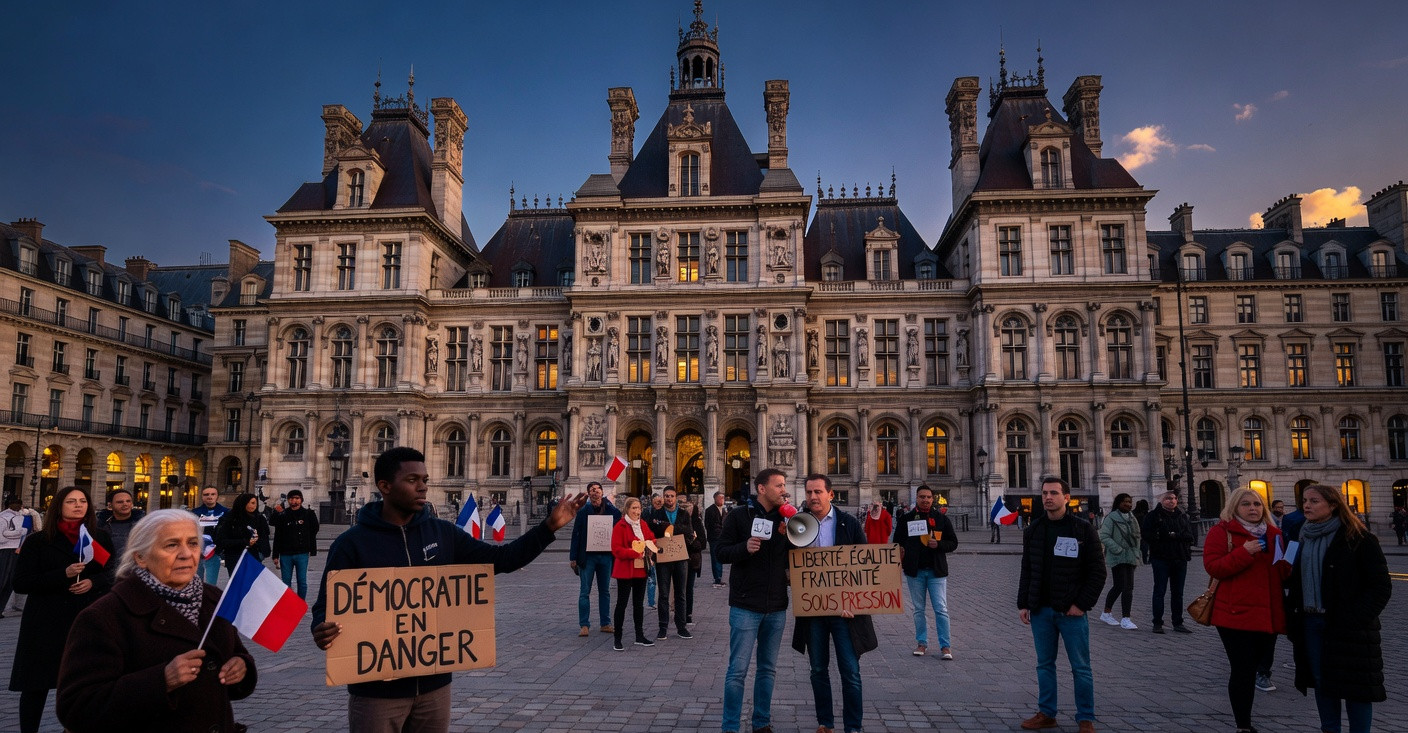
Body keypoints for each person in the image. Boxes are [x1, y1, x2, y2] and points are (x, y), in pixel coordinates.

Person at [310, 446, 585, 732]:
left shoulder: (443, 534)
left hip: (433, 687)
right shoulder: (352, 543)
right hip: (377, 691)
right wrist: (321, 627)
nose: (423, 488)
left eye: (425, 480)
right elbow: (326, 606)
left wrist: (549, 527)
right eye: (413, 480)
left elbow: (502, 560)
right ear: (385, 486)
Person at [56, 509, 256, 732]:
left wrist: (242, 667)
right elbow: (76, 708)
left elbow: (235, 653)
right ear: (140, 557)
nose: (186, 554)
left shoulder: (214, 599)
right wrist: (161, 681)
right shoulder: (105, 616)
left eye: (192, 543)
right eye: (171, 545)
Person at [1286, 484, 1391, 733]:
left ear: (1333, 505)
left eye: (1314, 501)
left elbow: (1380, 586)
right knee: (1323, 683)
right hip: (1312, 623)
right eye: (1305, 501)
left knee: (1357, 687)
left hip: (1349, 626)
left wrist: (1356, 617)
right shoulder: (1301, 535)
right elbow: (1294, 580)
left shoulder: (1358, 537)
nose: (1306, 506)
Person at [9, 487, 114, 733]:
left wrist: (92, 582)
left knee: (83, 682)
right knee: (35, 685)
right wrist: (62, 575)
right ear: (59, 505)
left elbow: (112, 573)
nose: (78, 505)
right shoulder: (39, 540)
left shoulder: (98, 537)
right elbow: (21, 583)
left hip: (84, 618)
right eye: (71, 501)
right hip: (45, 620)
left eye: (82, 501)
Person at [1017, 477, 1105, 733]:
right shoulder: (1033, 529)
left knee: (1081, 667)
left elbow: (1098, 572)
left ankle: (1085, 717)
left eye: (1054, 493)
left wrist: (1081, 604)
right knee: (1044, 664)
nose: (1047, 498)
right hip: (1041, 609)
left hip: (1071, 611)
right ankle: (1047, 712)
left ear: (1067, 497)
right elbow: (1027, 568)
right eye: (1044, 493)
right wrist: (1024, 602)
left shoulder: (1082, 529)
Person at [791, 474, 871, 733]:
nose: (813, 497)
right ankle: (825, 722)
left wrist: (855, 602)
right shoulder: (797, 525)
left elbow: (865, 565)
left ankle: (853, 726)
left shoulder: (848, 523)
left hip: (844, 611)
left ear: (831, 495)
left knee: (850, 671)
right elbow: (789, 563)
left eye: (818, 492)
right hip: (813, 609)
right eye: (809, 492)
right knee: (817, 669)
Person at [1203, 488, 1286, 733]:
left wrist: (1289, 561)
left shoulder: (1275, 534)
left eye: (1258, 505)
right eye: (1246, 504)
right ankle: (1243, 725)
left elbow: (1283, 573)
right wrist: (1243, 552)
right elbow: (1214, 567)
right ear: (1234, 507)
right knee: (1243, 669)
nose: (1253, 509)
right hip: (1233, 613)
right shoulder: (1222, 532)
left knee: (1258, 664)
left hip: (1267, 612)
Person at [717, 469, 791, 733]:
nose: (784, 489)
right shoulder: (739, 515)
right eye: (779, 485)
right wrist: (744, 548)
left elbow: (796, 557)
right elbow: (721, 552)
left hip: (776, 606)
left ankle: (761, 722)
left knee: (768, 670)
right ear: (762, 488)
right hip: (746, 605)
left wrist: (788, 537)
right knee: (737, 671)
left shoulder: (787, 519)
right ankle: (730, 727)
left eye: (784, 485)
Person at [893, 485, 959, 658]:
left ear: (933, 499)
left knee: (941, 609)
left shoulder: (941, 519)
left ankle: (945, 646)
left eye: (928, 497)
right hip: (915, 572)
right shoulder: (906, 518)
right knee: (918, 610)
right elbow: (897, 543)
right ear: (917, 497)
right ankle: (922, 643)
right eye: (922, 497)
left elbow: (953, 543)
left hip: (936, 572)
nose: (925, 500)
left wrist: (939, 545)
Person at [569, 481, 620, 636]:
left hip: (605, 556)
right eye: (592, 490)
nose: (595, 492)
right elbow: (576, 534)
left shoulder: (611, 510)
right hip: (588, 557)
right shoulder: (583, 511)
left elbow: (619, 525)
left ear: (602, 492)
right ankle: (584, 624)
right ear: (588, 494)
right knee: (585, 591)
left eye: (598, 489)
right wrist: (573, 557)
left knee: (605, 591)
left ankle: (605, 623)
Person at [644, 486, 695, 640]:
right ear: (663, 497)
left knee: (681, 593)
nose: (669, 499)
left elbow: (689, 532)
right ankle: (663, 627)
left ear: (676, 498)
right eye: (666, 496)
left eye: (672, 496)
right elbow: (651, 532)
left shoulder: (684, 513)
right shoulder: (656, 513)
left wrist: (670, 528)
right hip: (664, 557)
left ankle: (681, 627)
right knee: (664, 594)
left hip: (680, 556)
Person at [1142, 491, 1194, 634]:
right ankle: (1157, 623)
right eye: (1168, 498)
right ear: (1161, 501)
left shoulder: (1182, 516)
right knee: (1160, 591)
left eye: (1174, 498)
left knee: (1178, 593)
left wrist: (1173, 535)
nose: (1172, 501)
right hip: (1161, 558)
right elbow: (1147, 535)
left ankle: (1178, 622)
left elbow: (1189, 536)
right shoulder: (1153, 516)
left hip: (1180, 558)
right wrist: (1166, 536)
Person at [610, 497, 656, 650]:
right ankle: (618, 638)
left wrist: (651, 545)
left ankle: (639, 635)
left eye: (639, 508)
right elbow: (616, 549)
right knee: (621, 604)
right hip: (625, 569)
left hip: (640, 569)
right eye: (634, 508)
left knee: (638, 604)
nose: (637, 511)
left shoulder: (642, 524)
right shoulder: (620, 526)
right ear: (627, 510)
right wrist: (633, 552)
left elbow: (651, 538)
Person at [1097, 493, 1141, 630]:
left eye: (1130, 502)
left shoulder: (1132, 517)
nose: (1128, 504)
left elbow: (1137, 535)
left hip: (1131, 555)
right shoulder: (1111, 518)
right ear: (1118, 503)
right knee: (1124, 586)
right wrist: (1118, 549)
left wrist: (1136, 551)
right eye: (1125, 502)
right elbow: (1103, 536)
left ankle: (1106, 612)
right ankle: (1125, 618)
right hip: (1118, 556)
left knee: (1123, 586)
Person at [270, 488, 319, 599]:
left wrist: (309, 544)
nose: (294, 501)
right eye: (291, 498)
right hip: (285, 553)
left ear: (301, 500)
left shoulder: (308, 514)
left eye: (297, 498)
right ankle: (288, 603)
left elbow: (315, 529)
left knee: (302, 581)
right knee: (285, 582)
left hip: (302, 552)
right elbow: (276, 531)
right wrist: (275, 555)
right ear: (288, 500)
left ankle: (301, 602)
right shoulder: (283, 514)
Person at [214, 492, 271, 574]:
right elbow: (221, 540)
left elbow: (264, 537)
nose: (253, 506)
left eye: (255, 503)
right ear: (243, 503)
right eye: (250, 503)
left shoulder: (259, 518)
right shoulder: (229, 518)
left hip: (254, 556)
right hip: (234, 556)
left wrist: (261, 551)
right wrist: (245, 542)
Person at [1, 495, 31, 618]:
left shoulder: (22, 516)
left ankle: (1, 608)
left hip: (17, 550)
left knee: (10, 582)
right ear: (10, 504)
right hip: (5, 550)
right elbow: (1, 537)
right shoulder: (3, 517)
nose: (19, 505)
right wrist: (19, 533)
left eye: (20, 503)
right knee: (3, 579)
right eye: (16, 503)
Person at [190, 487, 229, 584]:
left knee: (211, 583)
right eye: (206, 494)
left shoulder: (226, 512)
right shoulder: (195, 512)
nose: (209, 497)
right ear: (202, 497)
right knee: (197, 581)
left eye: (212, 494)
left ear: (217, 496)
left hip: (215, 551)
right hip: (197, 550)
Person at [96, 488, 145, 560]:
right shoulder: (100, 526)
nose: (125, 504)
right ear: (110, 505)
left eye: (128, 501)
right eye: (120, 502)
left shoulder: (144, 524)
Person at [681, 497, 706, 623]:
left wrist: (693, 540)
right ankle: (679, 613)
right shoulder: (679, 521)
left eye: (689, 508)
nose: (686, 510)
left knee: (688, 588)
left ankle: (688, 614)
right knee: (680, 588)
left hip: (691, 560)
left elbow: (703, 543)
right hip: (679, 558)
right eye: (684, 507)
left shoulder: (696, 522)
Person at [704, 491, 729, 586]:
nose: (722, 500)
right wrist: (714, 533)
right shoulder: (710, 510)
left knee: (720, 557)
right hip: (714, 537)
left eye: (723, 498)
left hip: (722, 537)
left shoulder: (724, 510)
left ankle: (720, 576)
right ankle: (717, 577)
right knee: (715, 558)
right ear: (715, 499)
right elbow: (708, 525)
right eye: (720, 498)